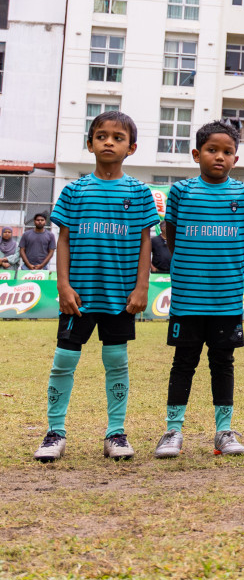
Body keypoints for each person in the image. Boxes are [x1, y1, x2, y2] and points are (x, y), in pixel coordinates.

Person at [34, 110, 158, 462]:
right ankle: (54, 432)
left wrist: (141, 287)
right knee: (63, 361)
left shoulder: (139, 192)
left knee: (116, 361)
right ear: (90, 143)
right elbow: (64, 240)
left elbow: (145, 242)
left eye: (118, 138)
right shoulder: (74, 190)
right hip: (79, 295)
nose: (109, 142)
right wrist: (62, 284)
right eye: (101, 136)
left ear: (131, 148)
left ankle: (115, 433)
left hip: (120, 295)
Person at [154, 120, 244, 459]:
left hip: (226, 298)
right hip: (187, 297)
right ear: (196, 154)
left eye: (227, 152)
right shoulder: (182, 191)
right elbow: (171, 238)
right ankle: (173, 430)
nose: (219, 157)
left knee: (223, 361)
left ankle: (224, 430)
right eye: (212, 150)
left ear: (236, 158)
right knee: (183, 362)